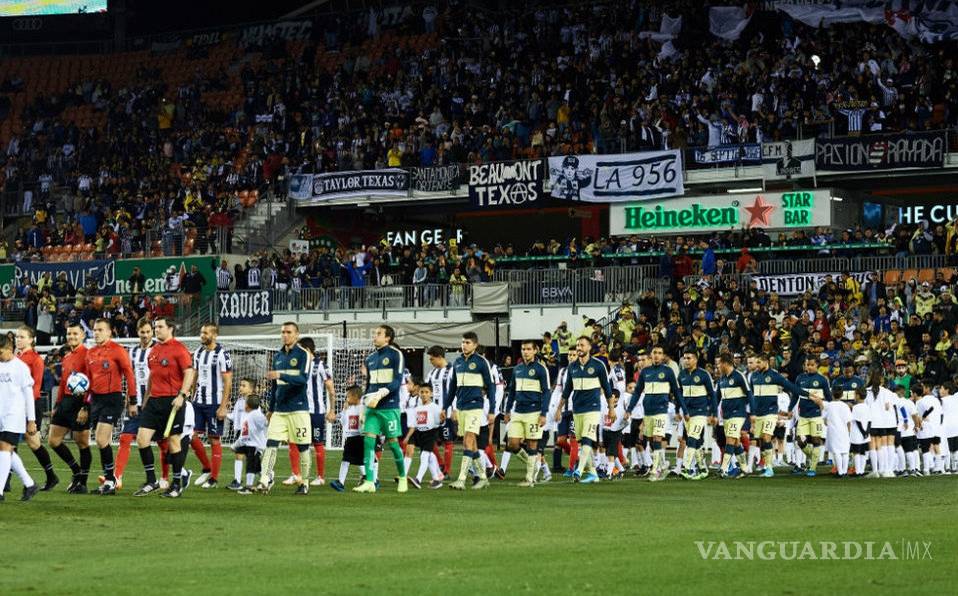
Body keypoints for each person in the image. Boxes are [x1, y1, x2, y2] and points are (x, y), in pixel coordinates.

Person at [133, 317, 196, 498]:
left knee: (173, 442)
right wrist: (146, 399)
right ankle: (151, 480)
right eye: (156, 327)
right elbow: (152, 377)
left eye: (160, 327)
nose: (156, 329)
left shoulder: (179, 349)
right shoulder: (153, 351)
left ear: (170, 329)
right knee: (142, 439)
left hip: (173, 401)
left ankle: (176, 484)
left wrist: (182, 395)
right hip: (154, 401)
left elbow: (189, 372)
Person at [351, 324, 408, 494]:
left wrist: (382, 393)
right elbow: (368, 385)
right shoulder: (370, 359)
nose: (374, 336)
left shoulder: (395, 354)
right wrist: (363, 406)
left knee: (393, 444)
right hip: (372, 408)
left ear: (388, 337)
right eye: (374, 334)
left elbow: (397, 381)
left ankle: (403, 477)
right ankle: (369, 481)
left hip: (389, 407)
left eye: (378, 334)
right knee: (368, 441)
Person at [258, 322, 312, 495]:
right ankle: (264, 481)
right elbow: (275, 387)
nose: (285, 335)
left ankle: (304, 483)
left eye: (289, 332)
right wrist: (271, 408)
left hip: (298, 409)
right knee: (271, 444)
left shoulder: (304, 355)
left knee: (303, 447)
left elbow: (303, 380)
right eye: (283, 332)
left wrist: (281, 374)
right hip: (280, 410)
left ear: (296, 335)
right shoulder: (278, 356)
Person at [84, 318, 136, 495]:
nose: (96, 332)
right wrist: (85, 404)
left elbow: (129, 374)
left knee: (100, 439)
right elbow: (88, 381)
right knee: (101, 441)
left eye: (100, 329)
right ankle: (109, 481)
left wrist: (133, 400)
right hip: (96, 400)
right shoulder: (90, 353)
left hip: (113, 399)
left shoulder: (118, 351)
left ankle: (110, 480)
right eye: (94, 329)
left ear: (109, 332)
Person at [444, 331, 496, 491]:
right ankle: (483, 477)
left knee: (468, 441)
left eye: (467, 342)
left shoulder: (481, 362)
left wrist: (492, 409)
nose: (464, 345)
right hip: (461, 407)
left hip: (475, 407)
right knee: (472, 446)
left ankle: (461, 479)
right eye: (463, 342)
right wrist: (446, 407)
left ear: (475, 345)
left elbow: (491, 386)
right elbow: (452, 388)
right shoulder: (457, 363)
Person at [560, 336, 614, 484]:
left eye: (582, 345)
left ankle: (578, 471)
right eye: (578, 345)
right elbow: (566, 391)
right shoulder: (572, 367)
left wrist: (611, 409)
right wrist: (559, 409)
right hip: (577, 409)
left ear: (589, 347)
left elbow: (608, 389)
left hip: (593, 409)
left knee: (587, 439)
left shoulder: (598, 365)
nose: (579, 348)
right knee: (583, 442)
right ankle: (593, 474)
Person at [285, 337, 336, 487]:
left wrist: (332, 410)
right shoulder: (298, 366)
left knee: (317, 443)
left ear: (307, 350)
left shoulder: (320, 365)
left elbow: (331, 389)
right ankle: (296, 474)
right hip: (298, 410)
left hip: (316, 412)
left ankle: (320, 477)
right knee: (293, 441)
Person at [112, 318, 155, 489]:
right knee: (125, 437)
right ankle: (117, 477)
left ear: (152, 332)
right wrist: (129, 399)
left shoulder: (157, 350)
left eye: (148, 332)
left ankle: (170, 476)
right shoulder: (132, 352)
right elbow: (129, 378)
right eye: (142, 332)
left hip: (154, 402)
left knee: (163, 441)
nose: (145, 335)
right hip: (135, 402)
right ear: (137, 332)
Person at [190, 324, 234, 489]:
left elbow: (228, 380)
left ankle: (214, 479)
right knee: (191, 436)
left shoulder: (222, 354)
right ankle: (207, 467)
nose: (202, 335)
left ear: (214, 335)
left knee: (214, 438)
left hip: (215, 402)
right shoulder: (198, 353)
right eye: (201, 332)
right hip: (198, 402)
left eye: (205, 333)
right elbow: (194, 375)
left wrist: (223, 406)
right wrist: (191, 395)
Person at [48, 323, 91, 493]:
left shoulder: (88, 355)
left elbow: (91, 383)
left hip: (80, 402)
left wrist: (86, 406)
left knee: (82, 442)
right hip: (65, 401)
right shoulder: (66, 357)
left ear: (82, 336)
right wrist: (57, 405)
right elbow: (64, 383)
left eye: (75, 333)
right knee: (53, 440)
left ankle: (83, 483)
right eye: (69, 333)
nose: (71, 336)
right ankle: (76, 471)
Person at [629, 345, 681, 481]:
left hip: (661, 411)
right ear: (651, 355)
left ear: (663, 356)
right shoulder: (645, 372)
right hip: (648, 412)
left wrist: (679, 409)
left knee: (658, 437)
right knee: (652, 441)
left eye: (659, 353)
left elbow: (676, 391)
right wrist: (629, 409)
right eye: (654, 353)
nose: (657, 355)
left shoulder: (668, 371)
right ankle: (663, 465)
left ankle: (655, 470)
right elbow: (637, 392)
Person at [748, 353, 805, 477]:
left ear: (765, 362)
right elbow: (752, 396)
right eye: (755, 363)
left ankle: (769, 468)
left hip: (770, 413)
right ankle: (766, 465)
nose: (756, 365)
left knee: (767, 437)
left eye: (758, 362)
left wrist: (809, 395)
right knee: (762, 440)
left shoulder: (775, 376)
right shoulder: (753, 376)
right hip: (758, 414)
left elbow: (792, 387)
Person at [502, 340, 550, 487]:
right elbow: (511, 391)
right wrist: (508, 410)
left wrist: (543, 413)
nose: (525, 352)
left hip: (534, 412)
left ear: (535, 351)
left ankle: (529, 478)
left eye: (529, 349)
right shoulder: (517, 369)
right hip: (517, 412)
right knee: (512, 444)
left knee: (532, 444)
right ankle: (534, 464)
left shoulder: (541, 369)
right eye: (523, 349)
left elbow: (546, 392)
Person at [15, 326, 58, 490]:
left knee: (33, 443)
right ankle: (5, 483)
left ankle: (51, 476)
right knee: (8, 440)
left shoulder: (35, 359)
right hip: (14, 404)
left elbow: (36, 386)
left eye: (22, 337)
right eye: (17, 337)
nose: (18, 339)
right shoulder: (14, 357)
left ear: (31, 339)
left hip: (30, 404)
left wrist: (27, 410)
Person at [0, 333, 40, 502]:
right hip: (1, 414)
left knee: (4, 448)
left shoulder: (21, 367)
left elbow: (28, 395)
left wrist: (31, 420)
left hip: (14, 415)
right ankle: (29, 483)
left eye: (0, 352)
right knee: (5, 451)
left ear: (9, 349)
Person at [676, 349, 717, 480]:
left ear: (696, 360)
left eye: (689, 358)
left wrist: (713, 413)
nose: (686, 361)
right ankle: (703, 468)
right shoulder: (681, 375)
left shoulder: (704, 375)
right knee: (696, 441)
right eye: (684, 358)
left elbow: (712, 395)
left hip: (700, 412)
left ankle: (686, 468)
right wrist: (678, 410)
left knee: (692, 438)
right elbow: (679, 395)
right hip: (687, 413)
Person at [790, 356, 833, 477]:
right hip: (802, 416)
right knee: (800, 441)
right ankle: (813, 457)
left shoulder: (822, 380)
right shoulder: (800, 378)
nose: (809, 367)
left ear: (817, 366)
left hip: (816, 416)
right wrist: (789, 409)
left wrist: (825, 404)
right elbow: (795, 395)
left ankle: (812, 468)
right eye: (807, 364)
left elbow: (829, 398)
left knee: (816, 441)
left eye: (812, 365)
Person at [403, 384, 444, 489]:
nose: (424, 394)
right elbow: (415, 424)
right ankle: (437, 479)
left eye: (426, 392)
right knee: (429, 457)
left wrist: (442, 419)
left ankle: (418, 479)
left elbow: (439, 422)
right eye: (422, 392)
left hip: (430, 433)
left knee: (424, 456)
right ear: (419, 393)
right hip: (419, 433)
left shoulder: (435, 407)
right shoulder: (418, 408)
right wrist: (408, 436)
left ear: (431, 394)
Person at [425, 346, 455, 475]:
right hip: (433, 414)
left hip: (447, 412)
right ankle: (441, 464)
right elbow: (426, 389)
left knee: (447, 440)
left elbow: (456, 391)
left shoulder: (453, 370)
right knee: (429, 441)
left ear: (439, 357)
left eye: (432, 359)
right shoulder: (431, 373)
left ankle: (447, 471)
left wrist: (455, 409)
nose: (431, 362)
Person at [330, 386, 365, 492]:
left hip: (359, 437)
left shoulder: (362, 407)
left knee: (351, 460)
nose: (346, 399)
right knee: (350, 459)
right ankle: (366, 477)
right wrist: (337, 415)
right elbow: (343, 420)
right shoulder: (348, 408)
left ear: (355, 397)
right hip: (350, 437)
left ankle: (341, 482)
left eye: (348, 396)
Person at [231, 392, 267, 495]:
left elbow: (265, 423)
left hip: (256, 445)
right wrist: (235, 445)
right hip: (249, 444)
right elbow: (244, 435)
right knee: (256, 467)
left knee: (250, 465)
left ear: (247, 405)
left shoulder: (255, 415)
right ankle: (268, 478)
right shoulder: (249, 415)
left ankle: (249, 487)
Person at [864, 369, 898, 479]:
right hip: (885, 423)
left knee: (873, 446)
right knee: (886, 446)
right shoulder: (888, 392)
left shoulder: (866, 391)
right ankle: (887, 470)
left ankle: (876, 471)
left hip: (872, 422)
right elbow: (890, 406)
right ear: (881, 380)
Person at [915, 381, 943, 475]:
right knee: (936, 447)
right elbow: (941, 414)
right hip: (937, 426)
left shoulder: (922, 400)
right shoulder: (937, 400)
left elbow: (920, 415)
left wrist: (920, 422)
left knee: (927, 448)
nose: (921, 388)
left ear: (927, 388)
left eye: (923, 386)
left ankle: (928, 468)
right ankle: (939, 467)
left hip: (927, 427)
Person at [823, 394, 852, 477]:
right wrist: (849, 431)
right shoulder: (845, 406)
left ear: (832, 395)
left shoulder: (829, 405)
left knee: (836, 452)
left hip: (833, 431)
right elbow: (849, 421)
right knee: (845, 451)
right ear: (842, 395)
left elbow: (825, 421)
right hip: (844, 430)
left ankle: (840, 472)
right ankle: (844, 471)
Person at [899, 387, 921, 476]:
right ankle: (915, 469)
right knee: (912, 449)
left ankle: (902, 469)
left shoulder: (895, 402)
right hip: (910, 430)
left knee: (900, 450)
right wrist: (916, 426)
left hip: (898, 430)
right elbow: (915, 416)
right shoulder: (909, 402)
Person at [850, 388, 871, 477]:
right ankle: (861, 471)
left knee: (856, 452)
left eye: (855, 394)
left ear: (858, 396)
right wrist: (867, 432)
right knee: (863, 452)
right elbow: (870, 421)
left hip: (857, 434)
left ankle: (858, 471)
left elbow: (857, 422)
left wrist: (863, 432)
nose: (854, 396)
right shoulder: (868, 406)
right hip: (866, 433)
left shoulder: (855, 407)